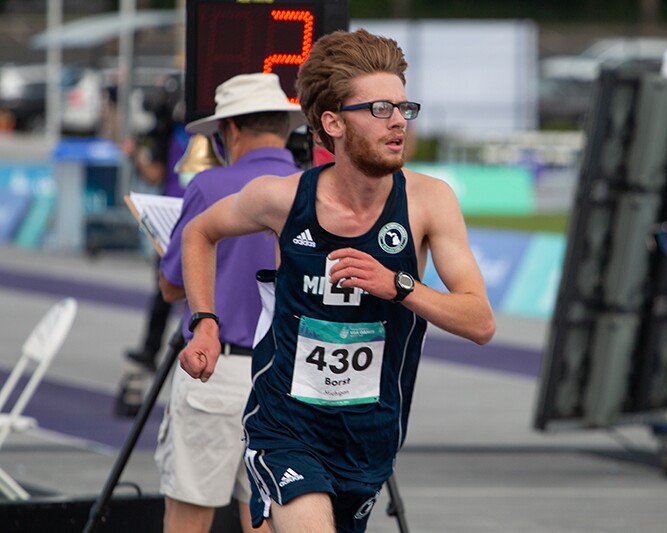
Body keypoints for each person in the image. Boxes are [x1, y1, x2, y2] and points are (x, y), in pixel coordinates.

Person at [178, 29, 495, 532]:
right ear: (333, 123)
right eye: (378, 109)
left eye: (403, 108)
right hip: (285, 423)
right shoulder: (281, 198)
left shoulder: (429, 202)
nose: (397, 122)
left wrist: (401, 285)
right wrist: (206, 322)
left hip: (369, 433)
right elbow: (198, 233)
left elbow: (480, 322)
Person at [155, 72, 304, 533]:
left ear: (230, 130)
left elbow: (171, 286)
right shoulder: (313, 186)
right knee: (262, 520)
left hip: (215, 371)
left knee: (188, 520)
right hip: (284, 379)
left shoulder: (209, 186)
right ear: (284, 126)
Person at [115, 77, 190, 416]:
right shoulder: (169, 133)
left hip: (190, 223)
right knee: (166, 298)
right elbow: (154, 173)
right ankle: (148, 360)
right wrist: (137, 156)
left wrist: (136, 157)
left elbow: (153, 173)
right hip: (173, 225)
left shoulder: (213, 133)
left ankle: (161, 358)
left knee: (171, 300)